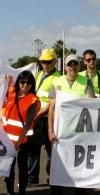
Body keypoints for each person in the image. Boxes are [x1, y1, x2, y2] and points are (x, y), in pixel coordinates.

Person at [46, 55, 94, 195]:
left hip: (79, 129)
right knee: (57, 162)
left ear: (79, 66)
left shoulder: (86, 81)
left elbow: (91, 102)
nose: (72, 67)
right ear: (65, 66)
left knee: (79, 162)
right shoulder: (57, 82)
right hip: (60, 130)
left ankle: (81, 194)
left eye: (75, 64)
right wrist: (50, 129)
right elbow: (52, 109)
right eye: (69, 64)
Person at [2, 71, 40, 195]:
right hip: (6, 139)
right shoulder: (11, 92)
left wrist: (18, 141)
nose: (25, 85)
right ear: (18, 82)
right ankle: (9, 193)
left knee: (22, 167)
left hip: (22, 141)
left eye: (28, 83)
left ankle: (22, 193)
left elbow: (29, 123)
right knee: (8, 169)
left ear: (32, 84)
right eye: (22, 82)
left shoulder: (33, 100)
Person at [26, 49, 61, 185]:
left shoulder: (58, 79)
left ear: (54, 62)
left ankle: (51, 177)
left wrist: (39, 113)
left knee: (50, 150)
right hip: (36, 117)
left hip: (48, 118)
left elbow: (53, 102)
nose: (45, 64)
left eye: (48, 62)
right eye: (43, 62)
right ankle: (31, 178)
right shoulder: (39, 74)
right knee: (33, 149)